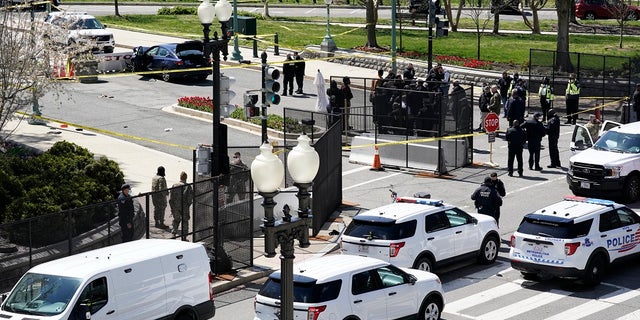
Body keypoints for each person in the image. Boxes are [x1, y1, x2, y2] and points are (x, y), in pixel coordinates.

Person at [169, 171, 193, 236]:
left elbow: (171, 197)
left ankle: (174, 233)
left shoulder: (174, 185)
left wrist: (172, 206)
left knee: (176, 219)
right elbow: (190, 198)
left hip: (175, 206)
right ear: (186, 178)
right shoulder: (188, 186)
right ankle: (184, 236)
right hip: (184, 206)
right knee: (185, 221)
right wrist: (188, 204)